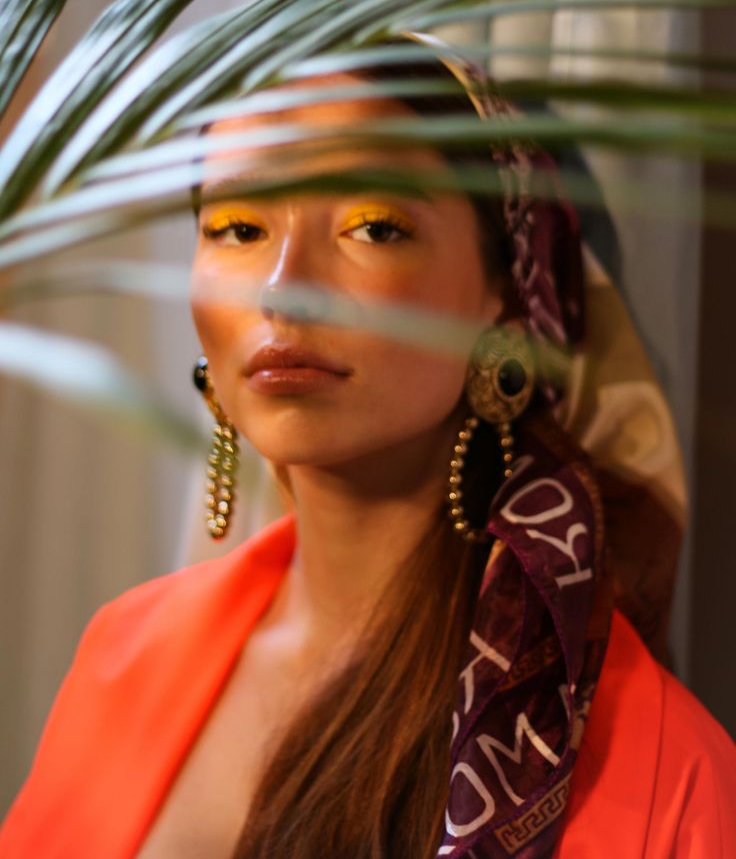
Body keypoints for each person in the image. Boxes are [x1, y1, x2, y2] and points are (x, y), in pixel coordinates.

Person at [1, 45, 734, 859]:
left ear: (504, 293)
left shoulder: (666, 773)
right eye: (238, 228)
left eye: (373, 226)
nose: (282, 285)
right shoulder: (125, 657)